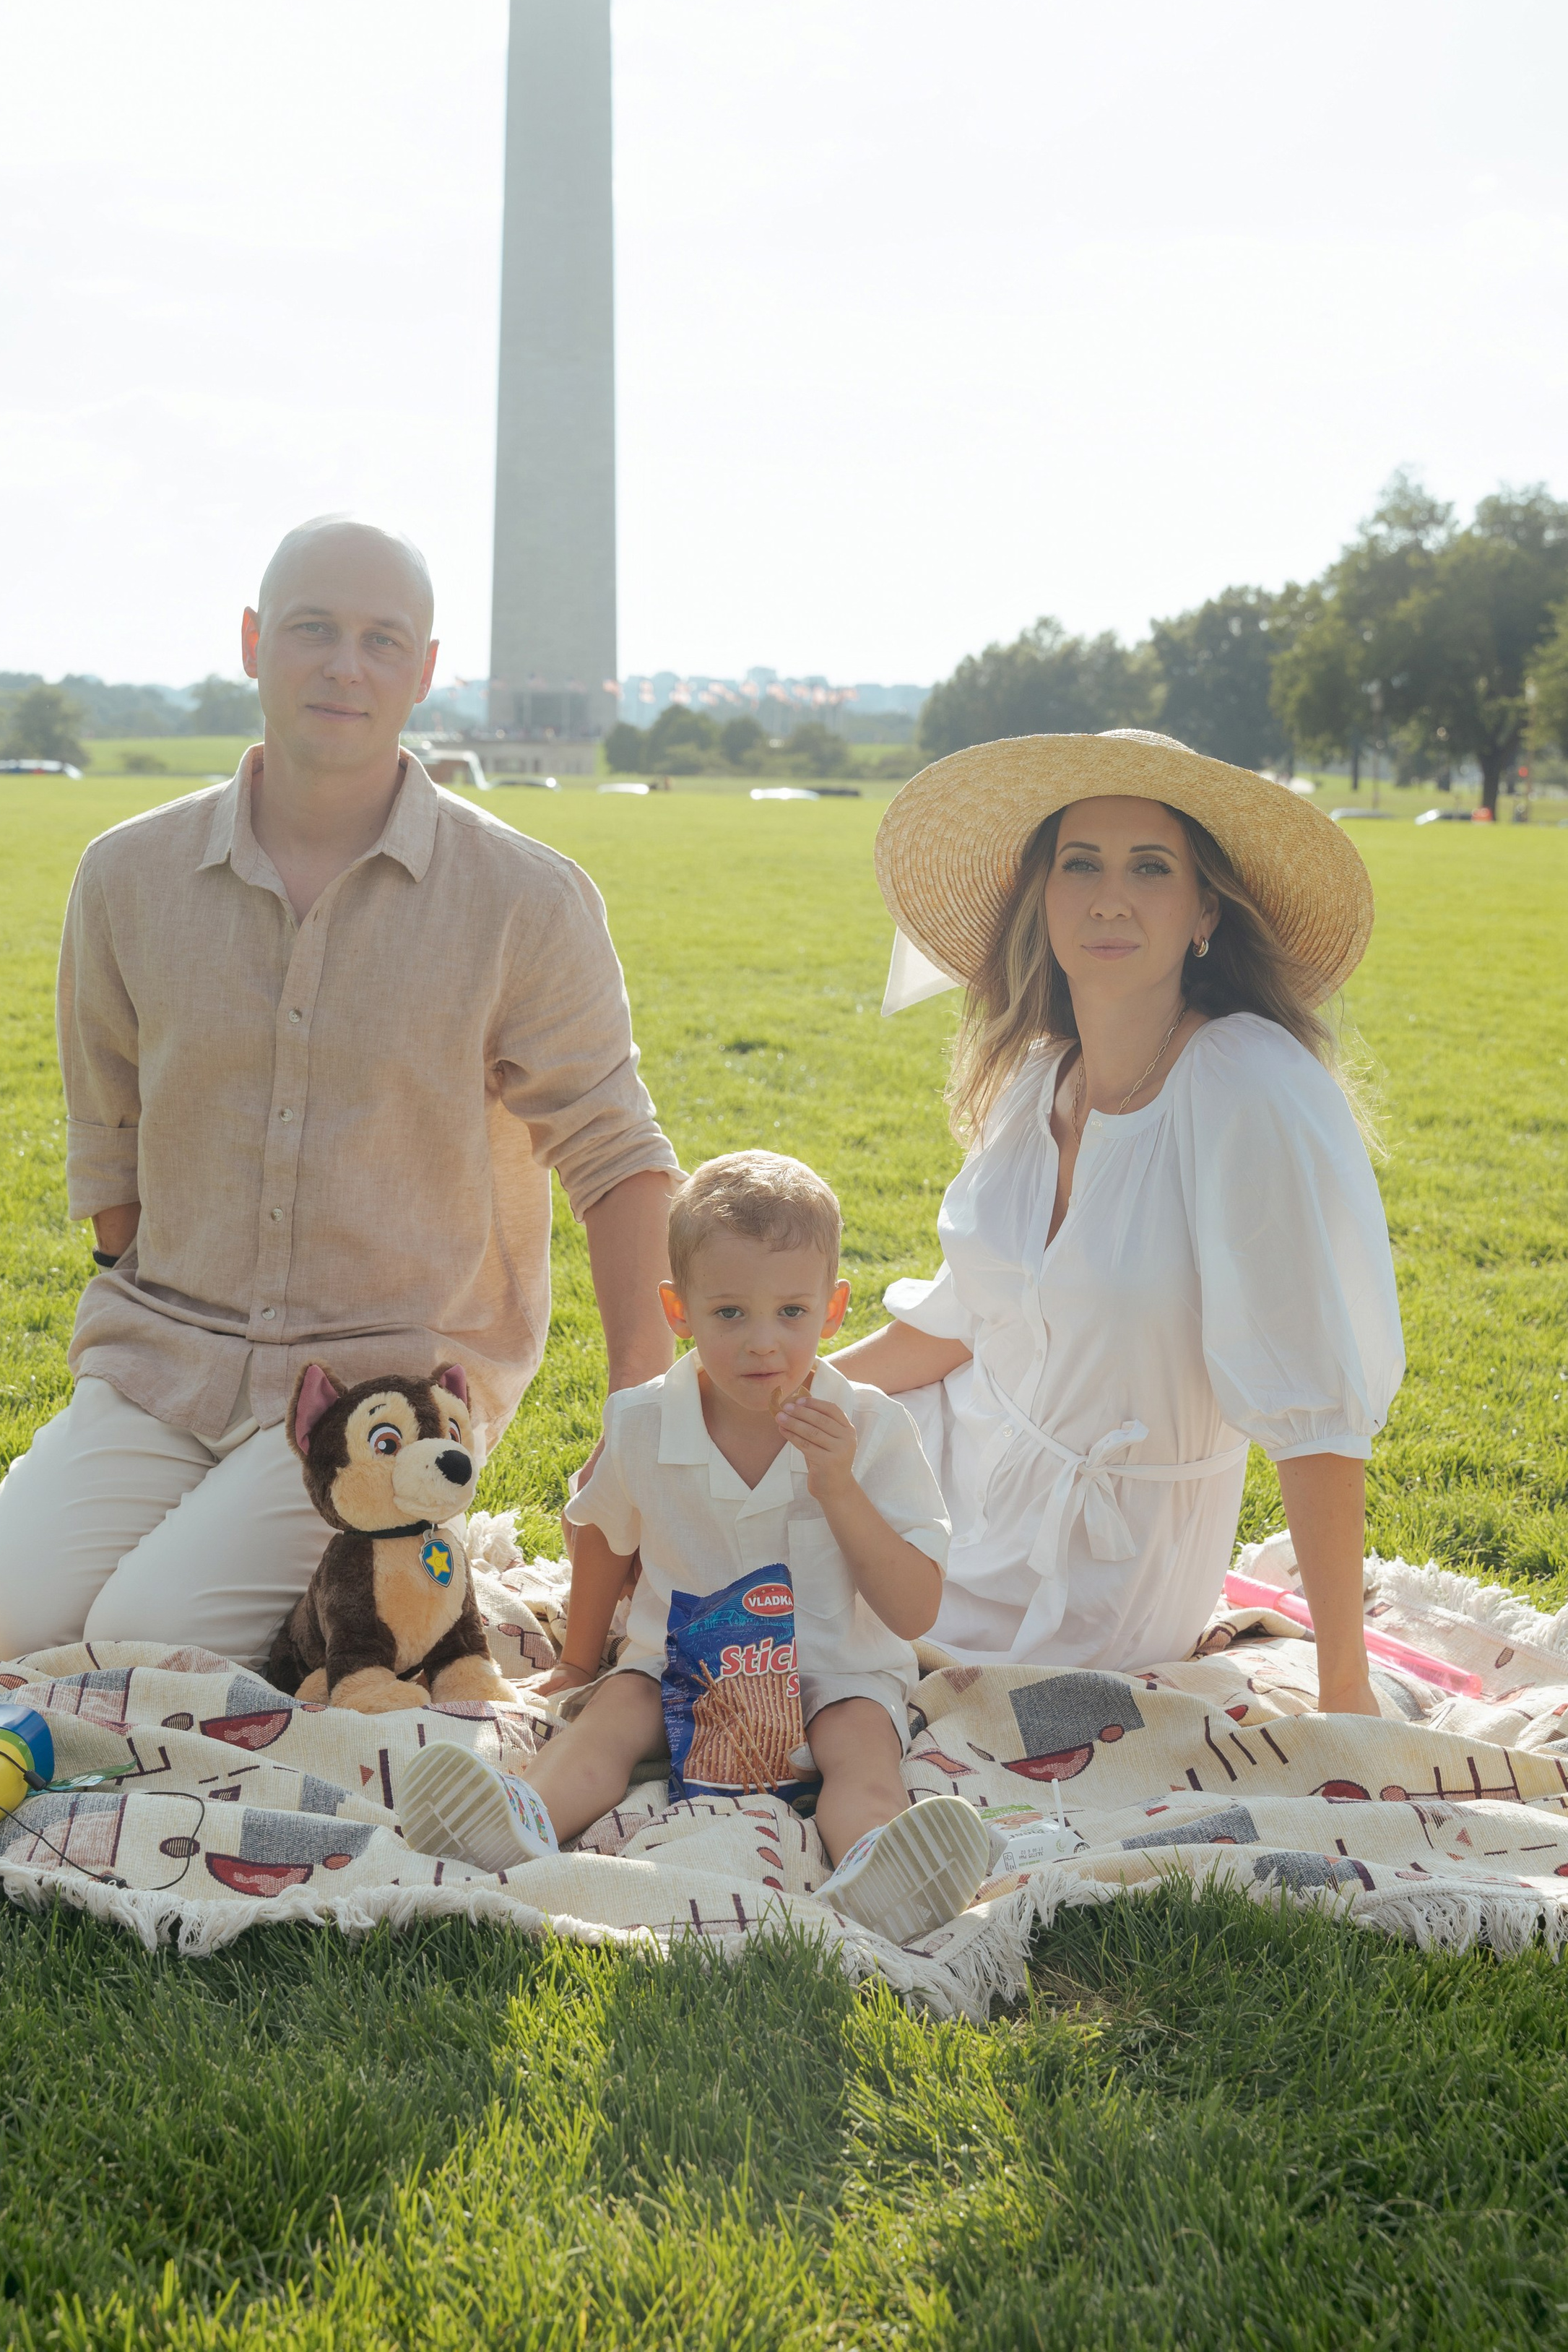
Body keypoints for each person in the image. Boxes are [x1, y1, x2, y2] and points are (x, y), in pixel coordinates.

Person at [0, 516, 680, 1666]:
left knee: (151, 1638)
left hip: (385, 1388)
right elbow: (109, 1127)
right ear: (252, 642)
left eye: (383, 640)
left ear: (425, 671)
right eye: (312, 630)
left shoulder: (525, 900)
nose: (346, 666)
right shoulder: (127, 875)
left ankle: (406, 1550)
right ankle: (332, 1561)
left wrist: (639, 1406)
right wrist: (152, 1295)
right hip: (170, 1357)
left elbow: (617, 1153)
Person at [832, 726, 1403, 1713]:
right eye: (1080, 863)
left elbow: (1312, 1401)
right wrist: (758, 1393)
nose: (1108, 897)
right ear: (1043, 895)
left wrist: (1343, 1689)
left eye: (1150, 867)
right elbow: (956, 1326)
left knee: (809, 1620)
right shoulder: (1037, 1080)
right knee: (723, 1509)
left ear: (1204, 910)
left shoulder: (1246, 1085)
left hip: (1111, 1566)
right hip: (957, 1480)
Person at [399, 1152, 992, 1945]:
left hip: (832, 1670)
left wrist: (839, 1487)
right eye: (729, 1313)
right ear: (679, 1311)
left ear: (833, 1309)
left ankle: (880, 1864)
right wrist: (578, 1661)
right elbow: (603, 1538)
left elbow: (914, 1610)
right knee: (609, 1719)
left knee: (861, 1752)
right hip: (679, 1667)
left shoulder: (874, 1428)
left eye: (791, 1311)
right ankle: (521, 1816)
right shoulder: (643, 1422)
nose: (762, 1343)